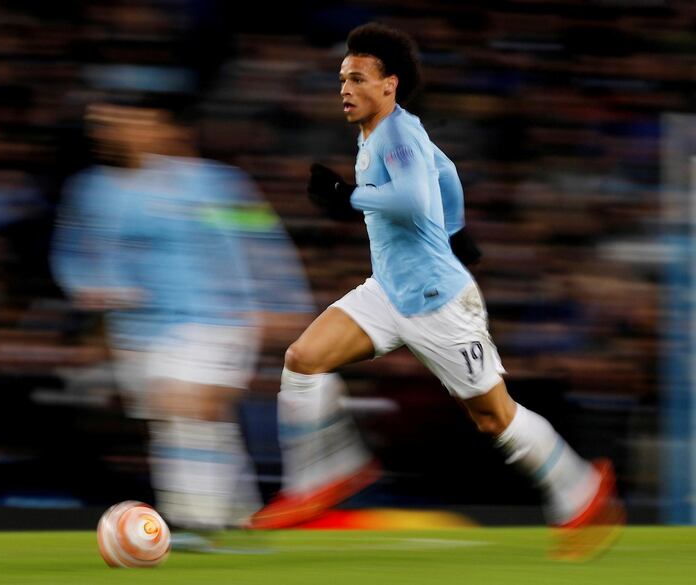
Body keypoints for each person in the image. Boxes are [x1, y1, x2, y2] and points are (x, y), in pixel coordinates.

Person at [250, 23, 624, 560]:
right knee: (303, 359)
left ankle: (582, 488)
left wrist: (349, 197)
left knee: (494, 417)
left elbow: (409, 198)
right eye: (342, 78)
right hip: (389, 291)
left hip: (436, 302)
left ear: (390, 85)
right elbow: (445, 173)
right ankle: (322, 478)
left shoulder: (396, 136)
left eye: (357, 78)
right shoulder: (393, 130)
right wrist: (458, 231)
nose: (345, 89)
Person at [50, 99, 265, 538]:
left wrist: (267, 300)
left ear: (164, 128)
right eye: (112, 124)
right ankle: (238, 514)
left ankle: (195, 521)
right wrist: (88, 286)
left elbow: (254, 241)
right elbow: (70, 252)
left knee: (184, 405)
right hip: (137, 328)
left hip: (214, 315)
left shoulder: (215, 183)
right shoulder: (91, 189)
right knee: (181, 422)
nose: (123, 132)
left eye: (136, 122)